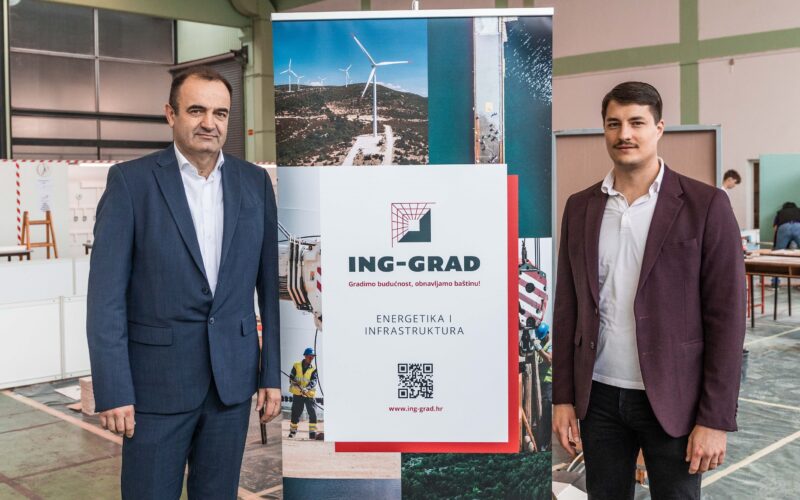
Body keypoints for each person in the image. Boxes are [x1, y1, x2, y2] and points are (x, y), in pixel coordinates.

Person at [87, 66, 281, 499]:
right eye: (196, 110)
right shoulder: (131, 183)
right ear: (170, 114)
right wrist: (113, 389)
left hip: (231, 386)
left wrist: (271, 374)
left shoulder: (254, 183)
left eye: (220, 113)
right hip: (155, 388)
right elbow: (105, 299)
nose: (209, 123)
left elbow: (269, 289)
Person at [552, 81, 746, 499]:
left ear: (659, 128)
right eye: (614, 124)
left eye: (636, 122)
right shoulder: (580, 207)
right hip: (598, 396)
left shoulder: (706, 205)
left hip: (675, 399)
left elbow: (727, 319)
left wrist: (714, 418)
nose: (624, 134)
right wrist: (562, 397)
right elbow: (568, 307)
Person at [288, 347, 319, 439]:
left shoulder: (314, 369)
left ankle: (312, 433)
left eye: (313, 357)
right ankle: (293, 432)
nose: (311, 358)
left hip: (309, 395)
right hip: (298, 394)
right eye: (310, 356)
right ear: (305, 356)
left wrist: (307, 388)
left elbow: (314, 381)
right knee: (295, 413)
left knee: (313, 414)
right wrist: (293, 382)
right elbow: (291, 377)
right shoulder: (296, 365)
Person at [533, 323, 552, 451]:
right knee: (538, 413)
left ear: (547, 334)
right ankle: (541, 441)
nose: (541, 339)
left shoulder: (551, 344)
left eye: (543, 337)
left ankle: (546, 442)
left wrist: (539, 349)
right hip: (540, 383)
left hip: (548, 383)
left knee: (546, 413)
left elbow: (549, 360)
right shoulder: (542, 343)